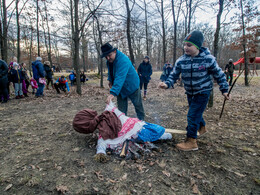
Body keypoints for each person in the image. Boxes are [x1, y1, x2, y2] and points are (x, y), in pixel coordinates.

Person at [158, 30, 230, 151]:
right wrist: (166, 84)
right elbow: (173, 75)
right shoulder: (181, 60)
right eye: (185, 44)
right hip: (190, 92)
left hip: (203, 91)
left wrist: (224, 89)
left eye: (189, 45)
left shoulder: (208, 59)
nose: (186, 47)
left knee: (192, 115)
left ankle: (191, 141)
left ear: (198, 46)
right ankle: (202, 127)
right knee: (196, 113)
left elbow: (219, 74)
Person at [73, 101, 172, 162]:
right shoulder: (108, 111)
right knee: (152, 132)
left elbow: (101, 144)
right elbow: (110, 105)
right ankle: (167, 135)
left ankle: (167, 136)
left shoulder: (103, 132)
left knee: (149, 135)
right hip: (137, 126)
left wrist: (101, 152)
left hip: (135, 133)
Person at [100, 42, 145, 120]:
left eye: (109, 55)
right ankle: (122, 124)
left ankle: (142, 122)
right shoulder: (109, 61)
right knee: (121, 110)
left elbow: (120, 77)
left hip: (132, 85)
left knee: (138, 106)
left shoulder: (123, 60)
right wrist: (110, 80)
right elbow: (111, 72)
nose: (107, 58)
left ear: (114, 51)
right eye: (105, 56)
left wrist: (112, 93)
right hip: (121, 88)